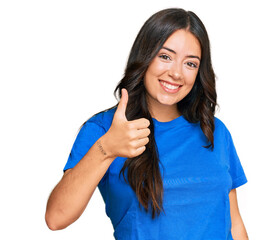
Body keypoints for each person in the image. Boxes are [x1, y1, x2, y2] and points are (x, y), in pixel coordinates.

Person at [45, 8, 249, 240]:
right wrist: (106, 149)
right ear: (145, 56)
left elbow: (234, 224)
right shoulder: (104, 130)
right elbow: (56, 217)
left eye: (190, 64)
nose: (176, 73)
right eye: (165, 56)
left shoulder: (214, 130)